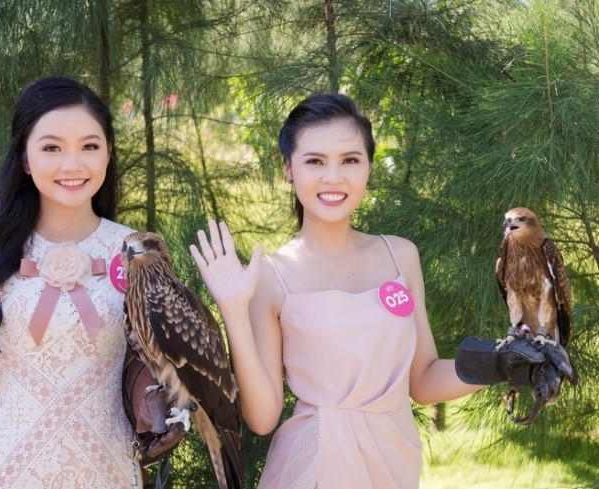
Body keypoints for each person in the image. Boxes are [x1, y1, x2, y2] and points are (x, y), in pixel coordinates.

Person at [189, 93, 564, 488]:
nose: (333, 177)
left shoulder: (400, 256)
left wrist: (499, 362)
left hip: (394, 461)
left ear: (368, 166)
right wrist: (233, 310)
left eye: (350, 160)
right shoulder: (270, 276)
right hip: (315, 466)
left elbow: (422, 380)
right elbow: (263, 418)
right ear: (288, 168)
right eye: (315, 161)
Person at [0, 76, 179, 488]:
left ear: (108, 153)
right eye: (52, 147)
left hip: (107, 472)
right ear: (24, 158)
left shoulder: (136, 252)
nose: (72, 164)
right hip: (6, 474)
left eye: (89, 146)